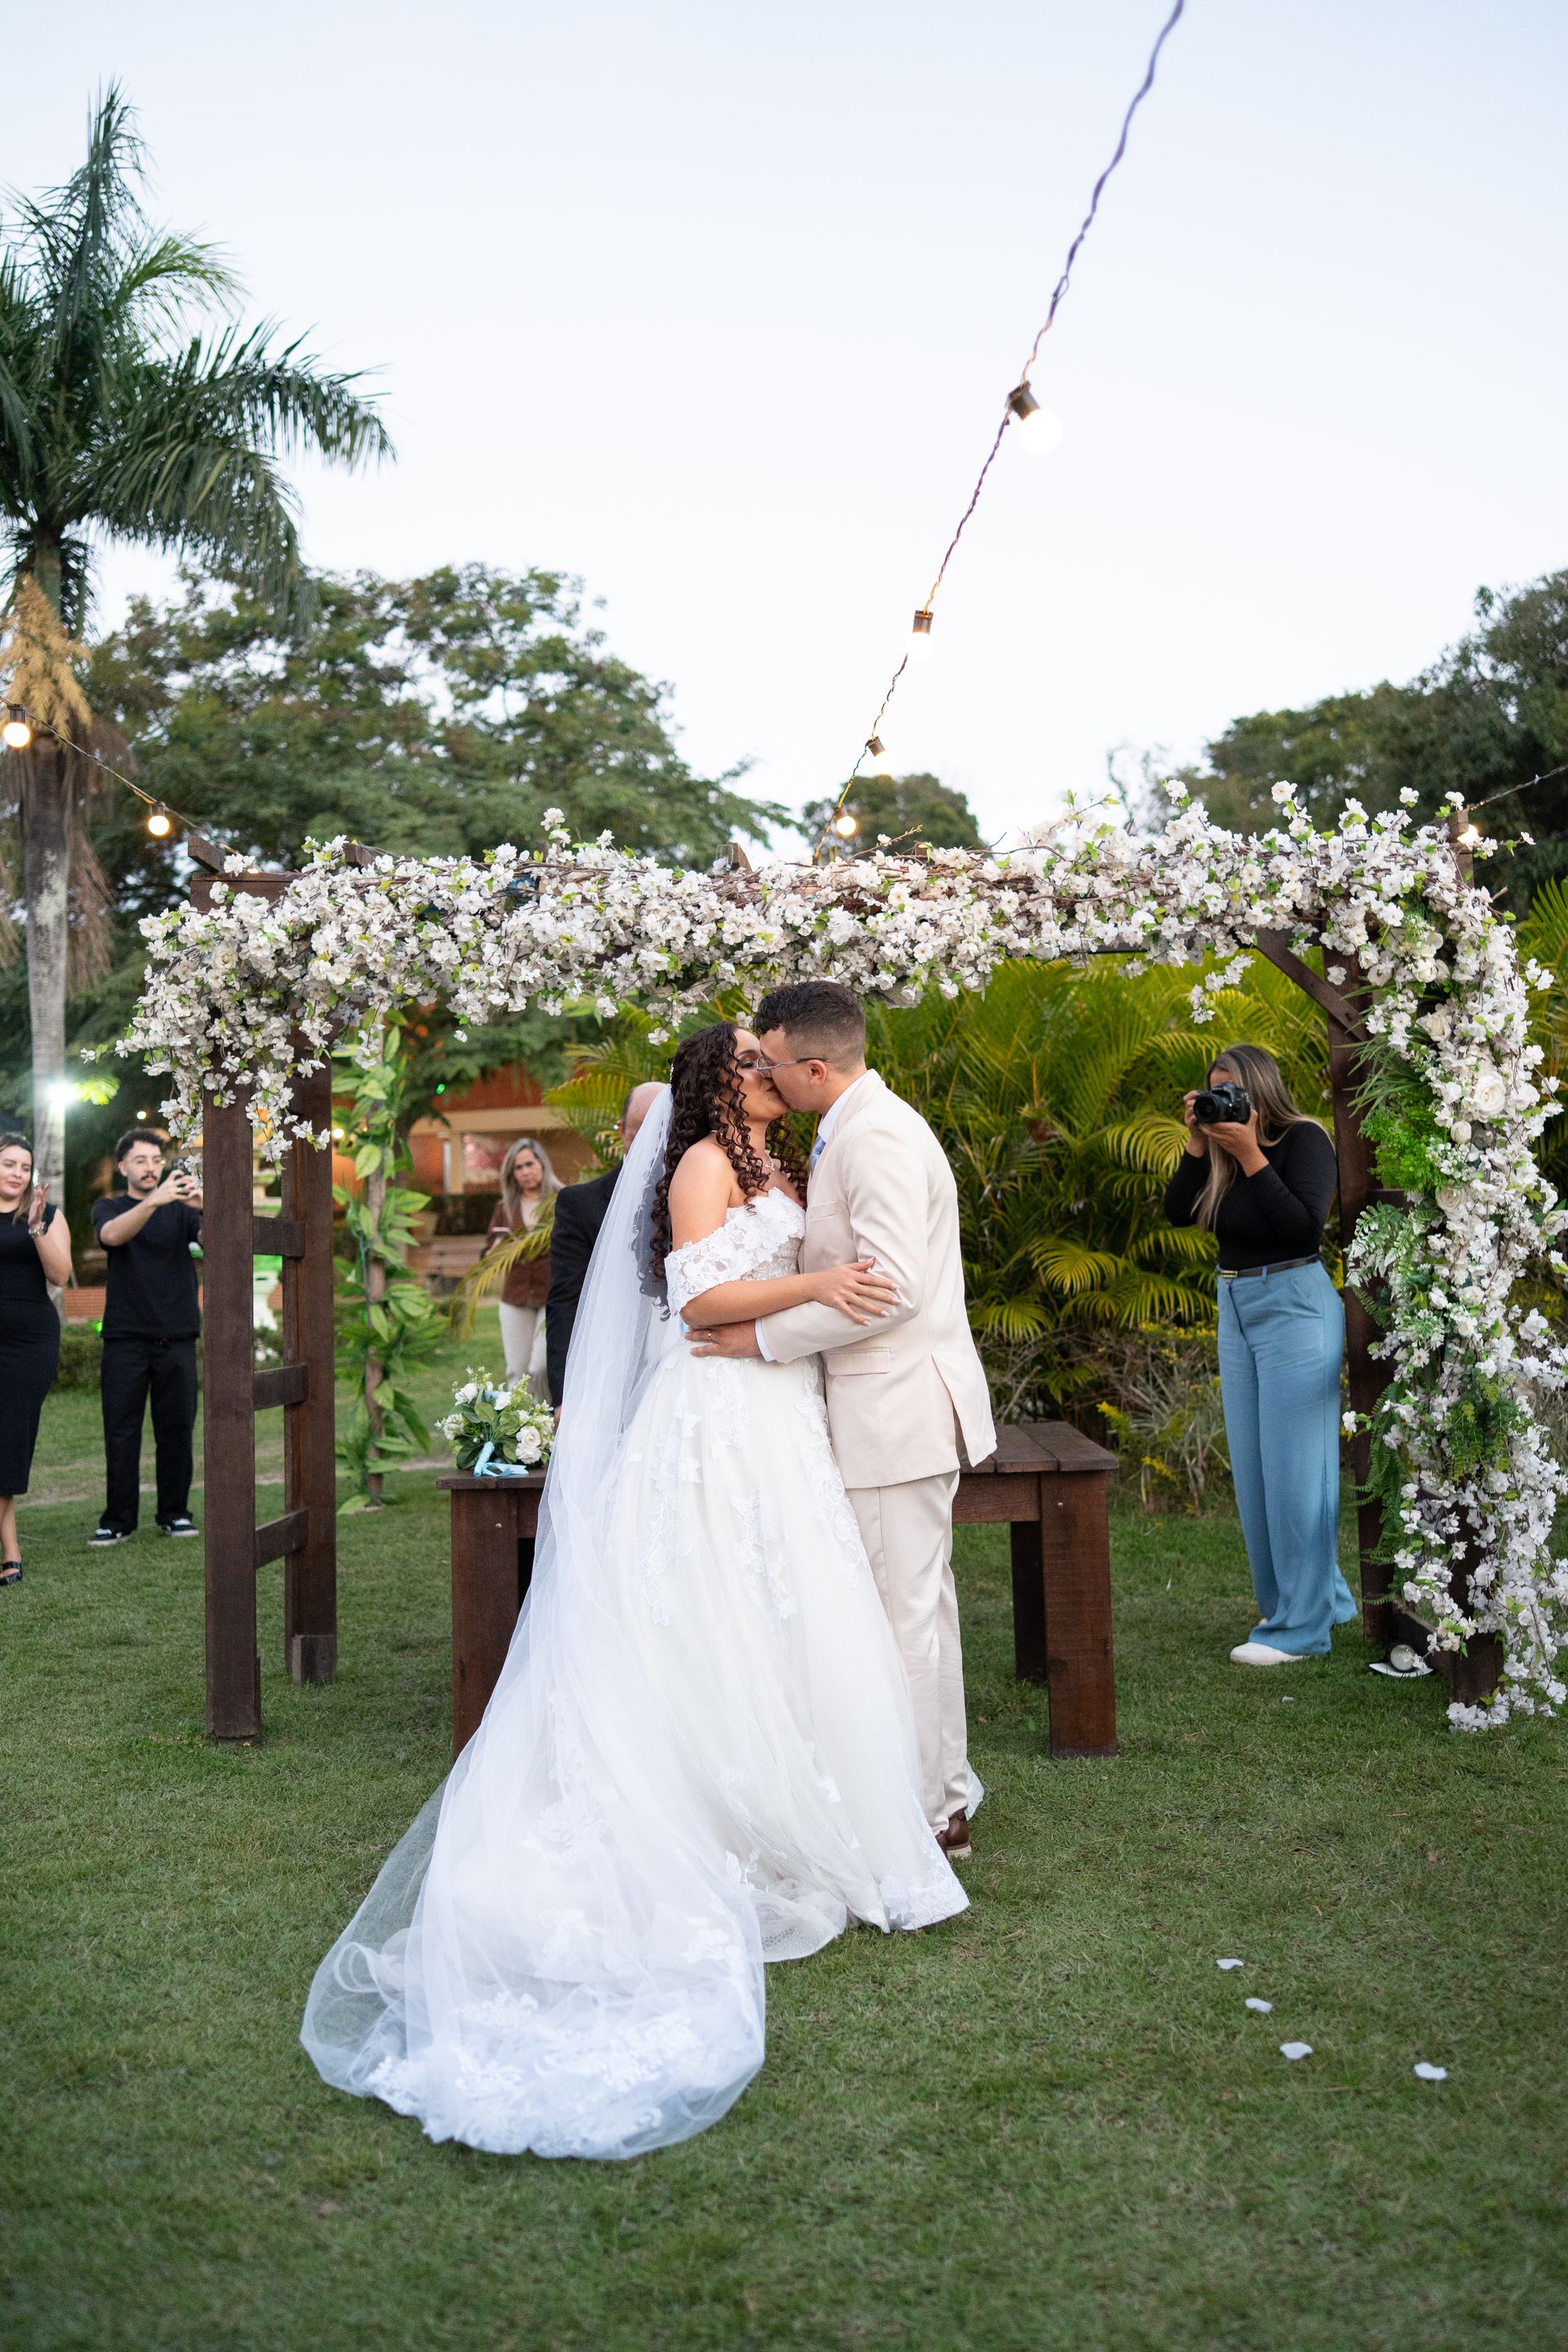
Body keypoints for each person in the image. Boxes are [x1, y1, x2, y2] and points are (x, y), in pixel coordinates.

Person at [302, 1024, 965, 2160]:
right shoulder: (704, 1166)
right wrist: (822, 1281)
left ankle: (818, 1807)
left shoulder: (782, 1169)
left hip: (779, 1418)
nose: (769, 1078)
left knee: (789, 1615)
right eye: (755, 1067)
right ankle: (711, 1814)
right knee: (705, 1614)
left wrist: (811, 1290)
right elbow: (697, 1302)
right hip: (713, 1417)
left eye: (773, 1064)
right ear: (724, 1086)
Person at [690, 980, 996, 1860]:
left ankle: (932, 1813)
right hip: (875, 1406)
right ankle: (930, 1795)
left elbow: (890, 1286)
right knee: (912, 1612)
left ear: (815, 1067)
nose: (767, 1077)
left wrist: (766, 1340)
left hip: (895, 1406)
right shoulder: (846, 1130)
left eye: (774, 1064)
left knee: (906, 1618)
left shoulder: (879, 1138)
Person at [1164, 1043, 1356, 1665]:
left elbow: (1304, 1228)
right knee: (1256, 1472)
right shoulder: (1217, 1153)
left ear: (1260, 1091)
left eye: (1232, 1091)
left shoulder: (1304, 1140)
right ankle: (1308, 1600)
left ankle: (1302, 1632)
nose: (1223, 1101)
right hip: (1237, 1308)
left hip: (1296, 1308)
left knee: (1298, 1476)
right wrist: (1200, 1144)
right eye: (1213, 1090)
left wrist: (1250, 1153)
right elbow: (1176, 1213)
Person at [88, 1132, 203, 1547]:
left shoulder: (181, 1212)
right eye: (140, 1161)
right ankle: (118, 1520)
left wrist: (205, 1204)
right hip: (125, 1339)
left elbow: (215, 1240)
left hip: (178, 1337)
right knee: (122, 1432)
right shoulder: (110, 1207)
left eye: (156, 1159)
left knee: (176, 1431)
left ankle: (175, 1513)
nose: (151, 1167)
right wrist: (155, 1202)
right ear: (124, 1168)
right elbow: (112, 1237)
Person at [544, 1080, 664, 1408]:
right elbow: (566, 1301)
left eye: (664, 1126)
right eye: (641, 1129)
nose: (653, 1140)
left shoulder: (706, 1191)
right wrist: (564, 1396)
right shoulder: (580, 1204)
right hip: (609, 1369)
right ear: (621, 1129)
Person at [0, 1134, 73, 1587]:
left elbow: (60, 1275)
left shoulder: (46, 1215)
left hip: (28, 1345)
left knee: (9, 1439)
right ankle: (9, 1547)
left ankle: (9, 1549)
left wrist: (35, 1226)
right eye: (9, 1164)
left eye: (24, 1167)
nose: (17, 1173)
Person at [483, 1138, 561, 1394]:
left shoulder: (563, 1199)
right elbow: (488, 1254)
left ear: (542, 1163)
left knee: (540, 1367)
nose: (525, 1172)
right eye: (518, 1168)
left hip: (554, 1296)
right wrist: (495, 1250)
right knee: (517, 1371)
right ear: (512, 1174)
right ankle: (520, 1430)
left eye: (530, 1164)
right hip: (516, 1297)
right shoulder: (504, 1208)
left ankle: (544, 1425)